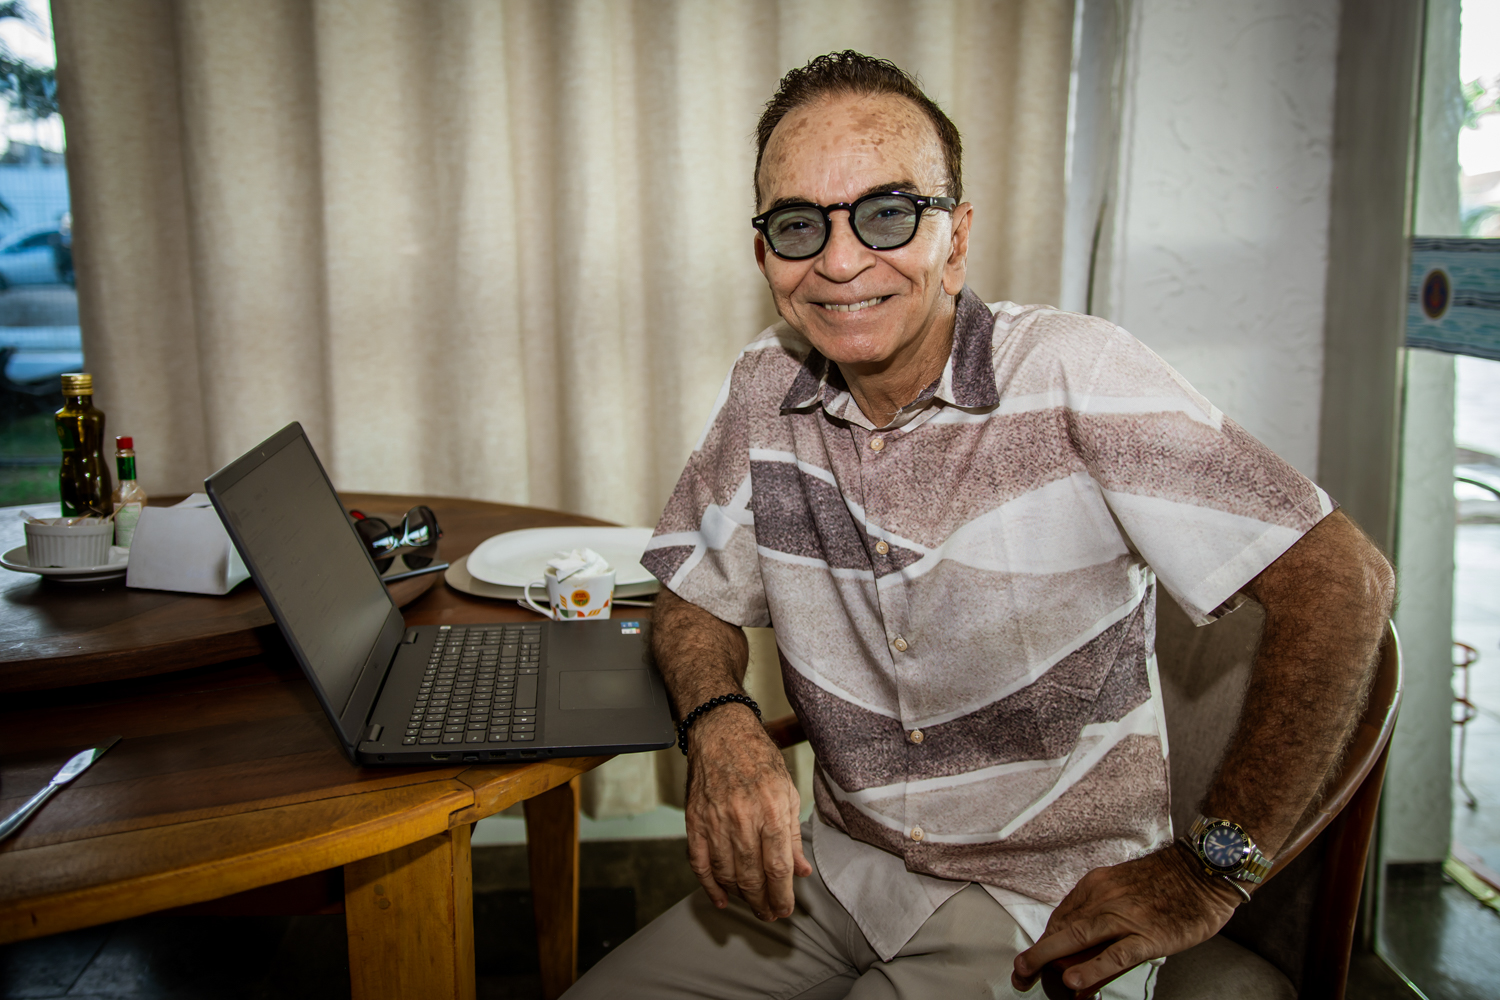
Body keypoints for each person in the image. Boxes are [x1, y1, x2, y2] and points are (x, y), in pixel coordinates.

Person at [564, 50, 1394, 999]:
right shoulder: (766, 384)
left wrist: (1210, 871)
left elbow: (1345, 582)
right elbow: (691, 591)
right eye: (799, 225)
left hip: (1041, 904)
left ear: (955, 239)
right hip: (832, 872)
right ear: (766, 257)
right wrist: (721, 724)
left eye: (886, 214)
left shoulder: (1079, 375)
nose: (840, 261)